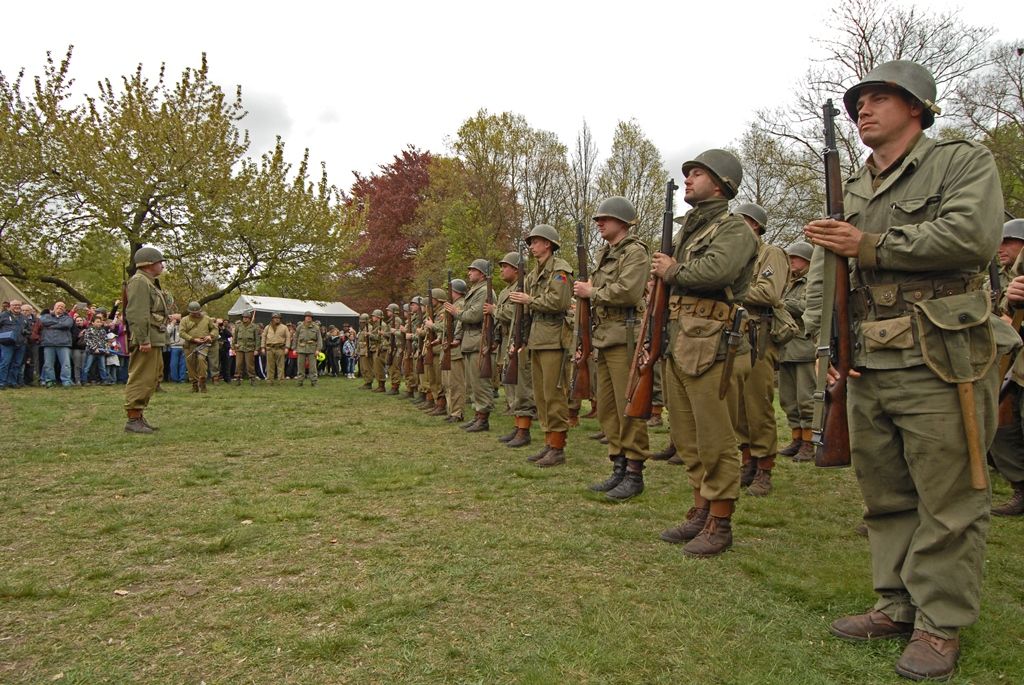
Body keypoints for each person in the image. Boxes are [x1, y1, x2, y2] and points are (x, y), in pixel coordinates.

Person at [804, 60, 1012, 681]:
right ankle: (895, 603)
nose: (863, 109)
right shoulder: (855, 188)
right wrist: (830, 351)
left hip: (939, 358)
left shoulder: (960, 162)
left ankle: (939, 624)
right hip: (867, 359)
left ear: (916, 106)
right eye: (858, 101)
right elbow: (826, 277)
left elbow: (972, 237)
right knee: (887, 495)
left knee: (949, 497)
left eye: (878, 98)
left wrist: (866, 245)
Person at [652, 149, 758, 557]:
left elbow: (718, 272)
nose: (689, 179)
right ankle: (700, 509)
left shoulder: (734, 230)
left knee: (715, 439)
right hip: (680, 340)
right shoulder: (689, 232)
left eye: (697, 173)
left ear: (721, 183)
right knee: (686, 436)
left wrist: (672, 271)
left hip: (712, 343)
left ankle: (720, 520)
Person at [576, 197, 651, 499]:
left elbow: (629, 291)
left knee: (627, 407)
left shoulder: (635, 253)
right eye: (597, 219)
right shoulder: (604, 254)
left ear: (622, 221)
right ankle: (618, 465)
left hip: (625, 336)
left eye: (604, 218)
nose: (599, 223)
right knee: (607, 408)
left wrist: (592, 292)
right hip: (605, 336)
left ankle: (634, 472)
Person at [733, 203, 790, 497]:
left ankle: (764, 466)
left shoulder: (772, 254)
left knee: (758, 404)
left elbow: (769, 293)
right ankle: (747, 461)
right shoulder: (737, 256)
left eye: (740, 221)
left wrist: (728, 286)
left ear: (754, 225)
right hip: (737, 335)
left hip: (759, 334)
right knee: (740, 405)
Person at [510, 224, 573, 467]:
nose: (532, 246)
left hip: (554, 338)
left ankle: (557, 447)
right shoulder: (534, 273)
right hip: (538, 337)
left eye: (535, 241)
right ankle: (549, 443)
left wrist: (530, 300)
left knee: (554, 394)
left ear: (548, 244)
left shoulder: (560, 269)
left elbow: (559, 301)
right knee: (542, 396)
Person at [123, 246, 171, 433]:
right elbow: (137, 312)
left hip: (154, 336)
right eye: (160, 262)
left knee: (151, 378)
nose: (162, 265)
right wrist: (143, 339)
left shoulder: (148, 282)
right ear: (150, 263)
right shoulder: (139, 282)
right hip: (147, 337)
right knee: (142, 377)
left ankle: (139, 416)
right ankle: (133, 419)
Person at [777, 241, 817, 462]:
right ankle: (796, 437)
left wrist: (780, 302)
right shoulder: (788, 283)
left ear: (807, 261)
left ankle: (809, 442)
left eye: (795, 258)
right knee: (788, 399)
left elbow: (807, 307)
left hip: (804, 346)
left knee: (806, 398)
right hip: (786, 346)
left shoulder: (812, 282)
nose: (791, 262)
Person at [494, 252, 536, 447]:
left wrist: (495, 311)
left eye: (505, 266)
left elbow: (516, 313)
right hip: (510, 336)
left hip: (522, 337)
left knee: (523, 387)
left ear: (516, 269)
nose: (502, 269)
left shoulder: (525, 284)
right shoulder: (507, 290)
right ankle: (518, 425)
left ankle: (523, 430)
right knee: (511, 385)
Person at [448, 259, 494, 432]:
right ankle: (478, 416)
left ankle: (483, 419)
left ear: (481, 273)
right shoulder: (476, 290)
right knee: (473, 383)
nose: (469, 273)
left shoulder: (483, 291)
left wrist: (456, 312)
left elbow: (474, 315)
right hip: (470, 339)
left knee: (480, 382)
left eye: (473, 270)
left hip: (478, 339)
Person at [179, 301, 217, 393]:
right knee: (190, 364)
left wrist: (210, 336)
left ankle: (203, 382)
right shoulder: (185, 320)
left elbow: (215, 329)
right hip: (189, 345)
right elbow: (181, 332)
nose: (195, 314)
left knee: (201, 359)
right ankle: (194, 385)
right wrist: (192, 339)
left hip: (203, 345)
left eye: (197, 312)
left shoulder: (207, 319)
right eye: (193, 312)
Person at [39, 302, 74, 388]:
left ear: (65, 309)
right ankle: (50, 381)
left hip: (64, 344)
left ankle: (66, 381)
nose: (60, 307)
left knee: (66, 364)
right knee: (48, 364)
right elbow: (43, 321)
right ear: (54, 307)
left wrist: (51, 325)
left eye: (62, 306)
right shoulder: (46, 316)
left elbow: (67, 324)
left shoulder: (68, 318)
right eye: (58, 306)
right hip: (48, 343)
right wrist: (59, 323)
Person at [0, 300, 28, 389]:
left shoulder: (23, 317)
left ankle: (12, 382)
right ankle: (1, 382)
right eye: (15, 305)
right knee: (5, 363)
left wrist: (27, 332)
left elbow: (29, 329)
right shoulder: (3, 315)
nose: (17, 307)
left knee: (17, 364)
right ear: (10, 306)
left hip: (20, 343)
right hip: (7, 343)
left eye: (19, 305)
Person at [81, 314, 114, 385]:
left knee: (102, 367)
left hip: (101, 352)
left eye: (100, 322)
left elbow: (105, 341)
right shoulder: (89, 330)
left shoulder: (103, 331)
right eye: (97, 322)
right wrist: (95, 348)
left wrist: (107, 349)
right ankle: (84, 380)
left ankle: (104, 380)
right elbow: (88, 340)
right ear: (93, 322)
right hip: (91, 352)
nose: (99, 323)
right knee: (87, 366)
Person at [293, 311, 323, 387]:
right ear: (305, 317)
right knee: (300, 366)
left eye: (310, 317)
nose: (308, 318)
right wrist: (294, 348)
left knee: (313, 367)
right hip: (301, 348)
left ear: (312, 318)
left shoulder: (316, 327)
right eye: (307, 316)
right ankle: (300, 382)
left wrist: (318, 349)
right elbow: (295, 337)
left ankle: (314, 382)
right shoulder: (300, 326)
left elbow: (319, 339)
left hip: (312, 349)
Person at [232, 310, 261, 385]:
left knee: (250, 365)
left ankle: (252, 379)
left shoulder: (254, 327)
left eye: (246, 317)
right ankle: (238, 378)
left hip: (250, 348)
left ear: (250, 318)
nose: (245, 319)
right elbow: (234, 337)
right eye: (244, 317)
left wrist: (257, 349)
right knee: (238, 364)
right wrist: (233, 347)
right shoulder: (238, 326)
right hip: (240, 348)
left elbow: (257, 339)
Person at [261, 313, 290, 384]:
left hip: (280, 348)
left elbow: (288, 337)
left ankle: (281, 381)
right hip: (270, 348)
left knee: (281, 366)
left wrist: (287, 347)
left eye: (278, 318)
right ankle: (269, 380)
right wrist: (262, 347)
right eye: (275, 318)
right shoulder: (267, 327)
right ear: (272, 319)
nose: (277, 319)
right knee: (270, 366)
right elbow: (263, 337)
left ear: (280, 319)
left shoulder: (284, 327)